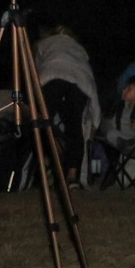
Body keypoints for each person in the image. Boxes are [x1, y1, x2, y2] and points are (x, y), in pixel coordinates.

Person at [33, 26, 101, 177]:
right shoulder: (80, 49)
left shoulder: (44, 43)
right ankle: (72, 174)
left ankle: (45, 163)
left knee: (43, 122)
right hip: (80, 83)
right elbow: (88, 75)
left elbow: (34, 68)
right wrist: (95, 122)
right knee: (75, 126)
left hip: (51, 77)